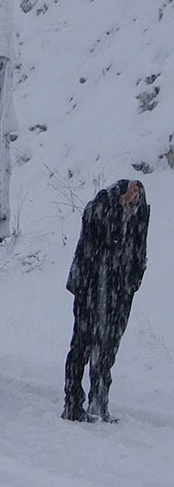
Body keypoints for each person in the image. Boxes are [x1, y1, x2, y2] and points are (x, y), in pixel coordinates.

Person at [62, 179, 149, 422]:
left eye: (137, 197)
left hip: (118, 291)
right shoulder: (100, 207)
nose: (134, 200)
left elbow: (140, 249)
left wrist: (135, 279)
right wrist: (118, 211)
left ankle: (99, 405)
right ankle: (72, 404)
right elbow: (96, 241)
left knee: (108, 347)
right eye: (131, 195)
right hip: (90, 286)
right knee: (82, 345)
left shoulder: (140, 214)